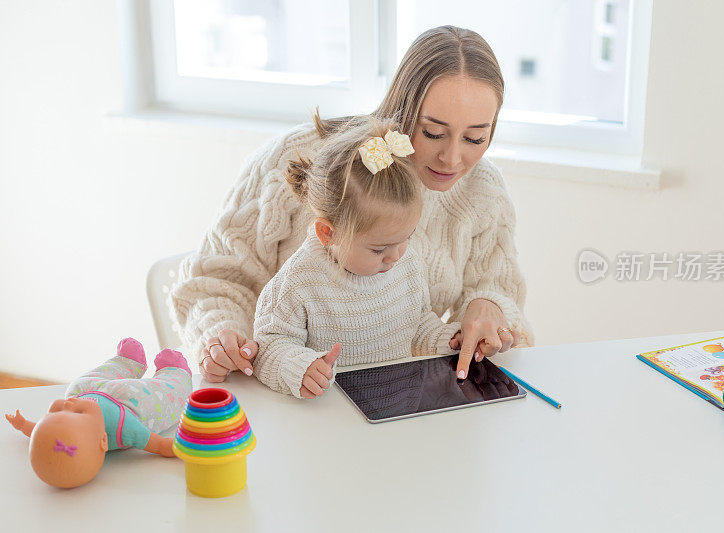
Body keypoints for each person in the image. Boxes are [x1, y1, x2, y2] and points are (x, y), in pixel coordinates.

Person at [169, 25, 531, 383]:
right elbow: (214, 281)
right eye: (433, 132)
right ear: (403, 109)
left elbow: (497, 291)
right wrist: (223, 340)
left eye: (475, 137)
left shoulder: (483, 191)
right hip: (285, 397)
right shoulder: (305, 158)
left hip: (392, 399)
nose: (452, 159)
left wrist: (489, 308)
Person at [253, 115, 462, 398]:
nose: (395, 256)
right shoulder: (299, 281)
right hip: (329, 420)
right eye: (378, 249)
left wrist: (450, 341)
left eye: (405, 239)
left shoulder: (405, 262)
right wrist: (300, 367)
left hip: (397, 405)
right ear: (328, 233)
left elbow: (418, 325)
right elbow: (268, 347)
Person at [5, 338, 192, 488]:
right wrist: (181, 447)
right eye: (78, 412)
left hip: (88, 388)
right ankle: (174, 373)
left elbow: (37, 430)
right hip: (128, 400)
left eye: (56, 411)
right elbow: (158, 445)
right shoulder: (122, 427)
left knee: (79, 384)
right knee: (165, 396)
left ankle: (127, 362)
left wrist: (23, 425)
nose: (68, 404)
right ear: (103, 440)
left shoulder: (72, 405)